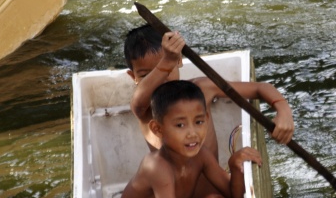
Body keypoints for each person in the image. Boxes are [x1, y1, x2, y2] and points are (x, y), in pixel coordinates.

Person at [112, 80, 263, 198]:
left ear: (207, 119)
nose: (192, 133)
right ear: (157, 129)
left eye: (198, 122)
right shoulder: (156, 166)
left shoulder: (201, 155)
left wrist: (235, 167)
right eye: (180, 125)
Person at [123, 24, 295, 156]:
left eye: (166, 70)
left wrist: (283, 109)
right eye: (147, 75)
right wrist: (166, 62)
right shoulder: (146, 108)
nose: (160, 80)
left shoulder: (201, 88)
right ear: (134, 78)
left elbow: (260, 88)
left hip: (211, 185)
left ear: (179, 61)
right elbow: (138, 99)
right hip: (174, 192)